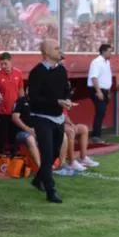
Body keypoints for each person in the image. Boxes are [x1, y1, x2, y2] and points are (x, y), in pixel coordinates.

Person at [26, 39, 70, 203]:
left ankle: (38, 180)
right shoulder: (36, 72)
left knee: (56, 152)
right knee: (47, 153)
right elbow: (34, 99)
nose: (60, 50)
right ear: (45, 52)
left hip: (58, 117)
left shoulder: (62, 70)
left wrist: (67, 100)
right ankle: (50, 190)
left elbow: (65, 90)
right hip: (41, 118)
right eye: (56, 48)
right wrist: (56, 102)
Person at [87, 43, 113, 141]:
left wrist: (108, 91)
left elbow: (106, 77)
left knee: (102, 112)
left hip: (104, 90)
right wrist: (98, 91)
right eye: (110, 52)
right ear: (103, 51)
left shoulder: (107, 62)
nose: (111, 54)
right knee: (100, 111)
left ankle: (96, 135)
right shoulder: (96, 62)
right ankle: (95, 136)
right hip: (97, 89)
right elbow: (94, 77)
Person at [10, 90, 41, 170]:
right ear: (27, 89)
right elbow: (15, 117)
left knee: (62, 136)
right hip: (21, 132)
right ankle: (40, 169)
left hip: (38, 131)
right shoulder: (21, 101)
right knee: (30, 139)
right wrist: (28, 129)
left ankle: (61, 165)